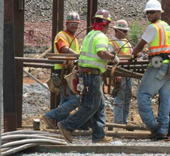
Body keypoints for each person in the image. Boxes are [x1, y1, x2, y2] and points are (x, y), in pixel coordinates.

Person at [57, 9, 119, 143]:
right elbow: (102, 53)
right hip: (93, 76)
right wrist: (113, 57)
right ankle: (67, 125)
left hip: (86, 74)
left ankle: (99, 136)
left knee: (99, 105)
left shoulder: (90, 35)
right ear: (106, 24)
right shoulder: (101, 36)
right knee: (90, 106)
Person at [132, 0, 170, 139]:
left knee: (143, 94)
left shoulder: (153, 27)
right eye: (147, 13)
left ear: (159, 13)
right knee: (165, 98)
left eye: (152, 12)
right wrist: (158, 51)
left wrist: (133, 54)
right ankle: (163, 130)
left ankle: (153, 125)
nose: (149, 15)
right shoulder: (168, 27)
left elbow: (139, 46)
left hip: (158, 66)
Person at [42, 11, 83, 130]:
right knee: (74, 100)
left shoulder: (73, 38)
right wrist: (78, 55)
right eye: (72, 23)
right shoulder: (62, 35)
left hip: (69, 72)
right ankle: (50, 116)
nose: (74, 26)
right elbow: (63, 49)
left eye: (76, 24)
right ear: (66, 23)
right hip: (63, 73)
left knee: (65, 99)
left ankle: (62, 126)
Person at [109, 20, 133, 124]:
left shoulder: (127, 43)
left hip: (128, 73)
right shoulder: (111, 43)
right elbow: (110, 61)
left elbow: (132, 55)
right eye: (123, 31)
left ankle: (124, 121)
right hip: (119, 72)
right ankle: (118, 122)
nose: (125, 33)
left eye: (126, 31)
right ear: (117, 30)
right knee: (120, 97)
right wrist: (115, 75)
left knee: (127, 96)